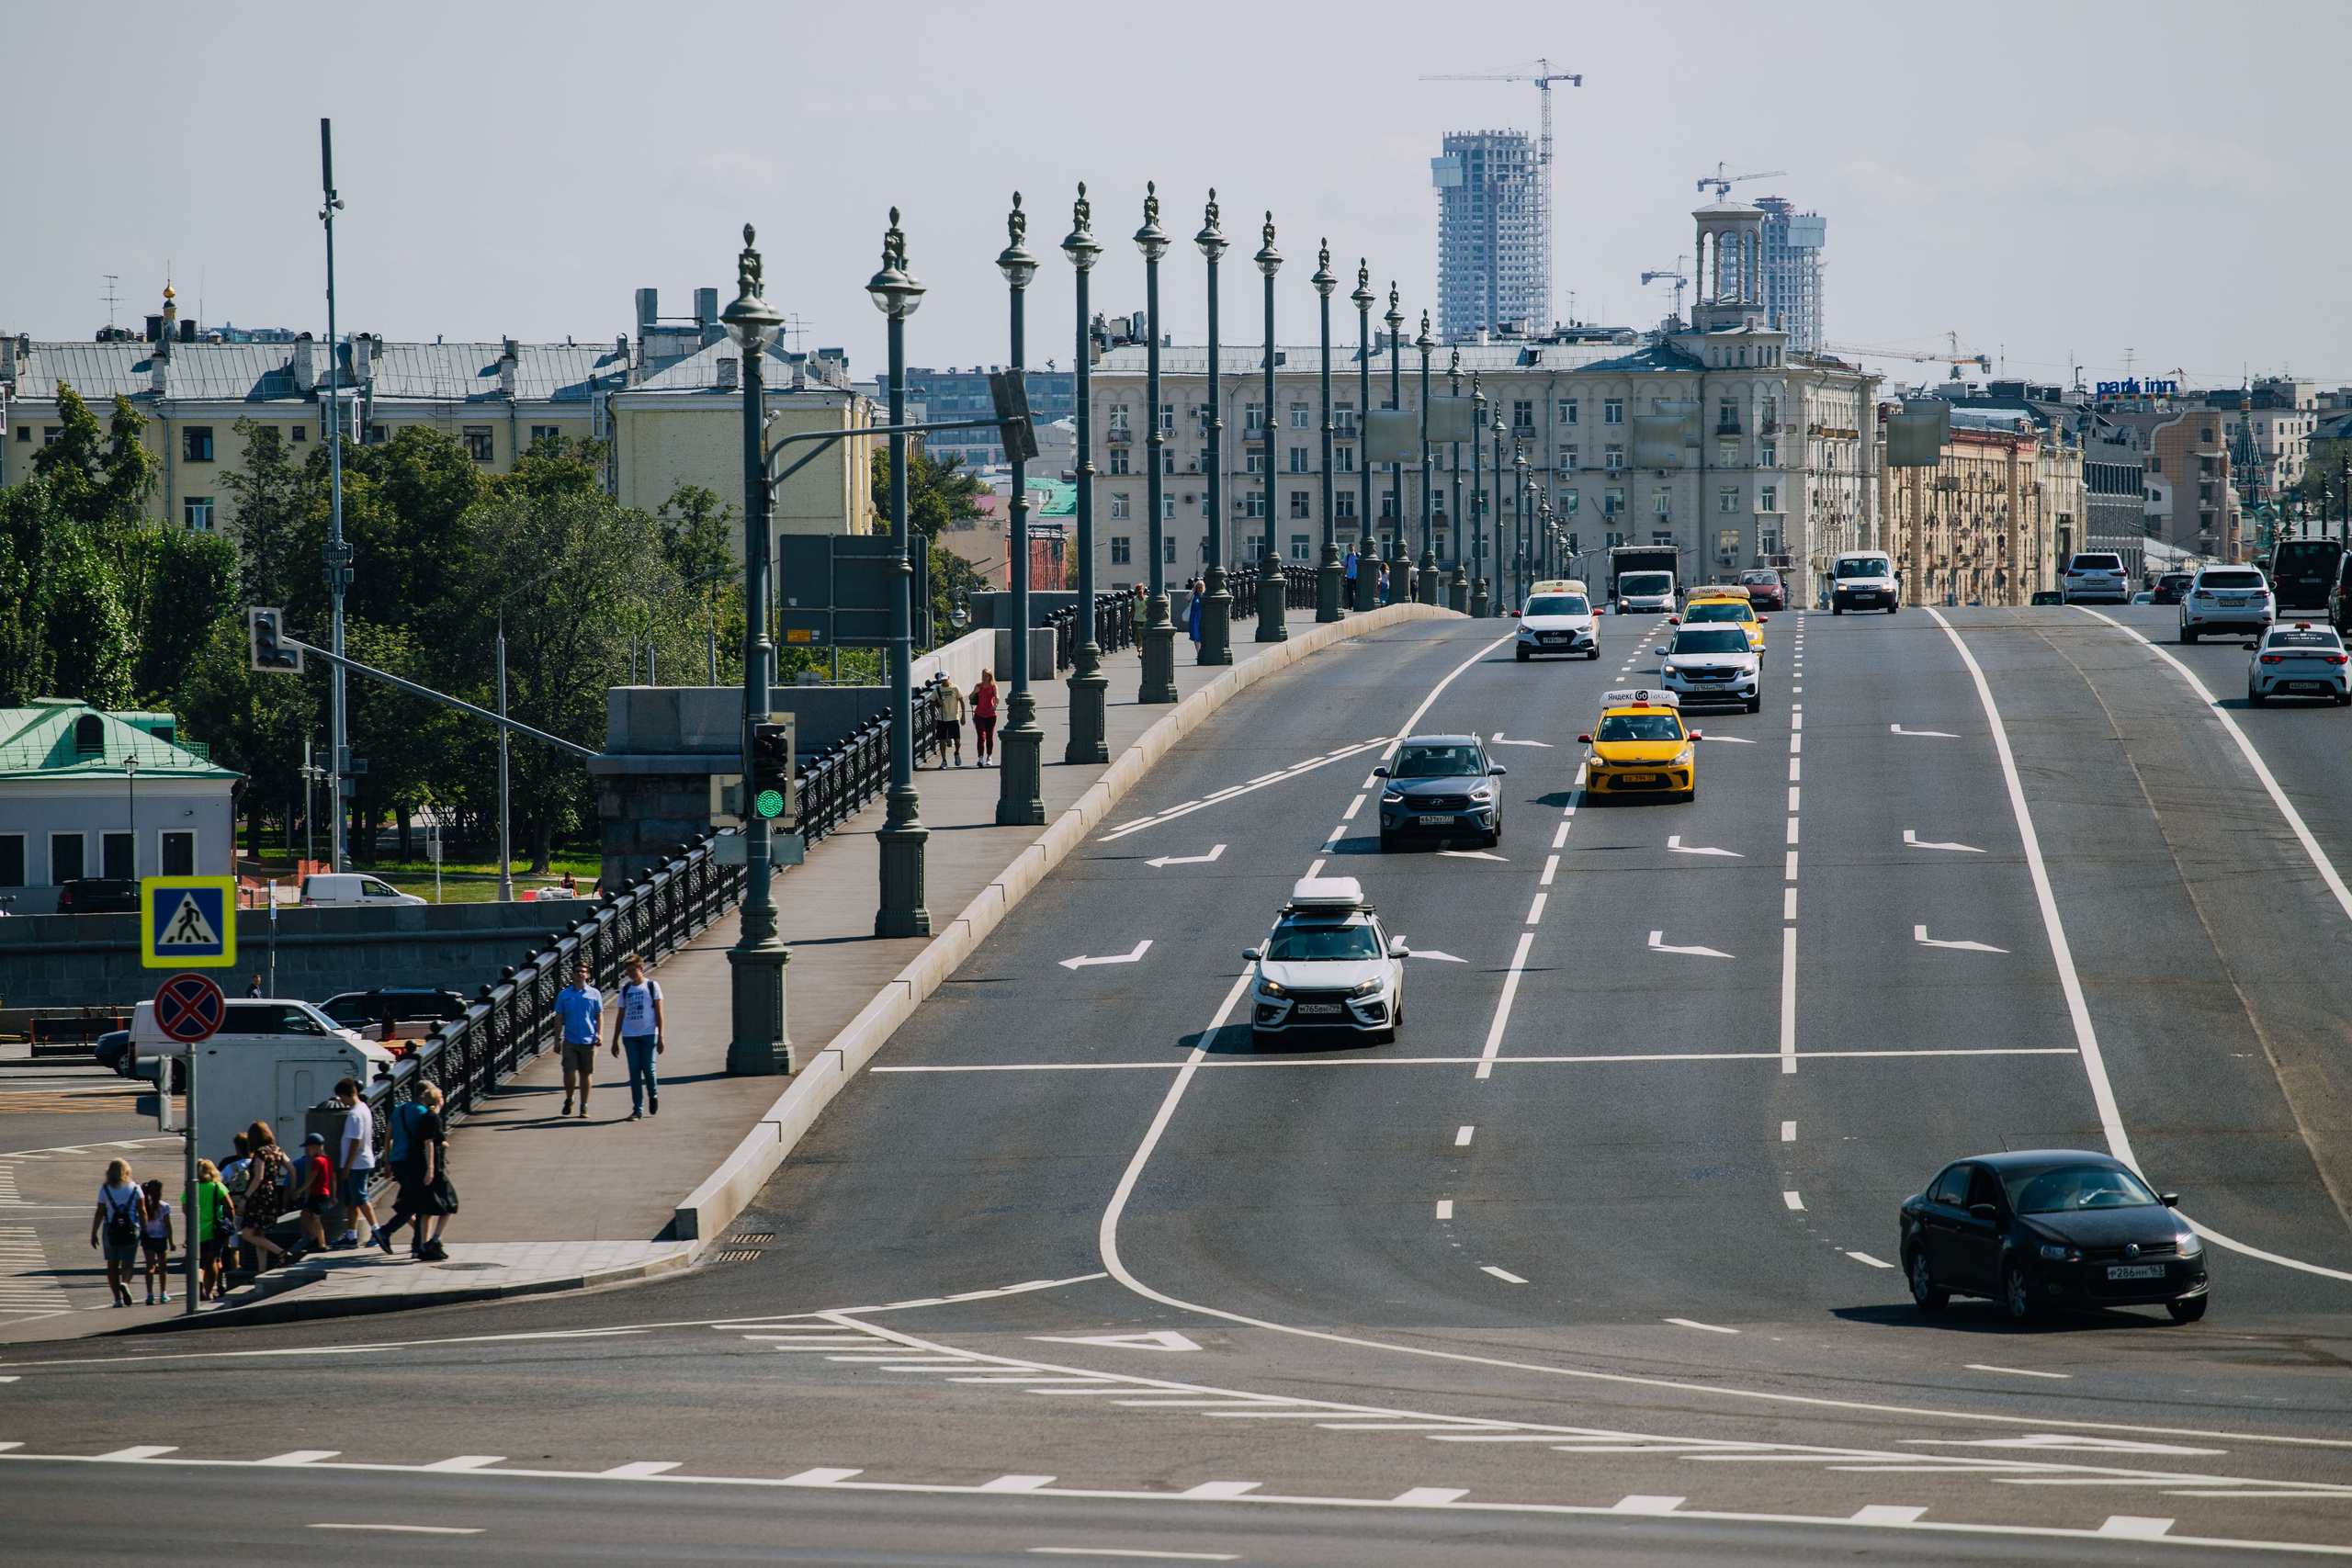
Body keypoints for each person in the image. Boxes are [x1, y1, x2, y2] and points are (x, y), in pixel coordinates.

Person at [379, 1083, 450, 1260]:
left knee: (412, 1201)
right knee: (420, 1204)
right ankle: (393, 1234)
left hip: (397, 1161)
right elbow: (430, 1137)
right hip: (413, 1163)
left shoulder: (399, 1109)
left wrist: (387, 1162)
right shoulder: (423, 1113)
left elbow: (388, 1135)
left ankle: (412, 1242)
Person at [610, 952, 665, 1121]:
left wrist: (661, 1037)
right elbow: (620, 1015)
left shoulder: (652, 986)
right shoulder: (625, 989)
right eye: (628, 971)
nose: (631, 974)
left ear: (641, 968)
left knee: (648, 1068)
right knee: (634, 1071)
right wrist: (615, 1040)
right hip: (630, 1035)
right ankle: (637, 1109)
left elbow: (659, 1013)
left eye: (634, 970)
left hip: (648, 1033)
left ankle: (653, 1095)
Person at [329, 1077, 379, 1248]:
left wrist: (347, 1167)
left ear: (344, 1095)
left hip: (357, 1164)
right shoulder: (364, 1108)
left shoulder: (354, 1114)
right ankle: (351, 1235)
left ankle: (377, 1231)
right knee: (352, 1201)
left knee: (360, 1198)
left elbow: (355, 1142)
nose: (341, 1101)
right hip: (362, 1161)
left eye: (341, 1097)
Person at [236, 1123, 293, 1270]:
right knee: (259, 1234)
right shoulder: (277, 1150)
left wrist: (245, 1199)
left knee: (247, 1234)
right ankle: (261, 1270)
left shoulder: (261, 1153)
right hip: (272, 1194)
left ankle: (281, 1252)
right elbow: (292, 1169)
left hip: (258, 1196)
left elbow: (258, 1177)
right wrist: (293, 1189)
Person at [90, 1158, 145, 1307]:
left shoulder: (105, 1189)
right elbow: (142, 1211)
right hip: (131, 1229)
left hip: (111, 1229)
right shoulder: (135, 1188)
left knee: (112, 1265)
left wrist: (94, 1232)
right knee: (128, 1264)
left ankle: (117, 1299)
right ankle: (125, 1283)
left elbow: (100, 1212)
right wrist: (145, 1230)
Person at [556, 960, 603, 1118]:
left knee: (585, 1073)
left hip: (588, 1039)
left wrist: (600, 1034)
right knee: (568, 1071)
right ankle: (570, 1098)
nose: (580, 973)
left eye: (583, 971)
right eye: (577, 971)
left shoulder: (594, 994)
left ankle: (584, 1105)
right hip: (570, 1038)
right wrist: (557, 1040)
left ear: (587, 975)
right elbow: (559, 1018)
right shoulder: (564, 995)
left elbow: (599, 1015)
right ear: (573, 974)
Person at [182, 1160, 232, 1301]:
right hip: (214, 1230)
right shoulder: (217, 1186)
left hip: (196, 1230)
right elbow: (230, 1207)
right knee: (212, 1261)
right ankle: (209, 1291)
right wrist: (230, 1221)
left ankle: (199, 1279)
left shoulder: (191, 1187)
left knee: (199, 1262)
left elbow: (185, 1209)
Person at [291, 1132, 335, 1257]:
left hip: (317, 1194)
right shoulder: (328, 1160)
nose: (308, 1151)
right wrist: (333, 1195)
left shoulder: (317, 1160)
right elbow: (333, 1178)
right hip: (324, 1194)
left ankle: (321, 1243)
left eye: (309, 1149)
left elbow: (312, 1178)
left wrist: (299, 1190)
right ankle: (314, 1239)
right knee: (305, 1214)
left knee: (315, 1218)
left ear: (315, 1147)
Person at [138, 1178, 174, 1304]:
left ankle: (150, 1294)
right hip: (161, 1238)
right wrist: (171, 1242)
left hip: (148, 1238)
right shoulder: (164, 1206)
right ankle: (163, 1293)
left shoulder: (145, 1206)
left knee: (150, 1266)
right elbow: (167, 1225)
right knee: (163, 1267)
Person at [971, 669, 999, 767]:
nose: (984, 678)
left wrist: (995, 705)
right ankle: (980, 758)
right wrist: (975, 692)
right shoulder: (978, 686)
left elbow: (997, 698)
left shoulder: (993, 686)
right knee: (981, 737)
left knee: (990, 737)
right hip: (979, 714)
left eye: (986, 676)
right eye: (983, 675)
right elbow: (970, 698)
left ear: (990, 677)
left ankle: (989, 756)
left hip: (991, 715)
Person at [935, 680, 966, 768]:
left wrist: (963, 716)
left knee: (957, 741)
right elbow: (932, 702)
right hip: (942, 718)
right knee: (942, 740)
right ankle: (944, 760)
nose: (944, 682)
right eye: (942, 680)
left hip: (953, 717)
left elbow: (961, 701)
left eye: (945, 680)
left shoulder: (955, 688)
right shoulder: (937, 689)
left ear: (948, 678)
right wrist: (938, 703)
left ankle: (957, 752)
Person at [1187, 579, 1203, 647]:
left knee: (1202, 635)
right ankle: (1198, 651)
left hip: (1202, 617)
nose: (1199, 589)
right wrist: (1193, 591)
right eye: (1198, 587)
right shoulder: (1194, 596)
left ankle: (1202, 649)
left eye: (1201, 587)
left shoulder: (1204, 595)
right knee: (1195, 636)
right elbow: (1187, 598)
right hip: (1194, 618)